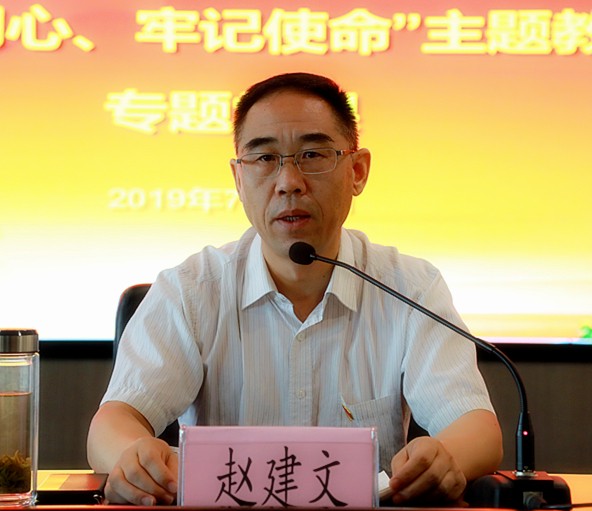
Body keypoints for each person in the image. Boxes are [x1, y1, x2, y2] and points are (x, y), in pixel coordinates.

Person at [87, 72, 503, 506]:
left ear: (357, 171)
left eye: (312, 155)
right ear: (239, 178)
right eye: (265, 158)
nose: (289, 181)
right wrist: (132, 458)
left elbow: (476, 427)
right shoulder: (192, 291)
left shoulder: (410, 288)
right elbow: (113, 422)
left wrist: (444, 458)